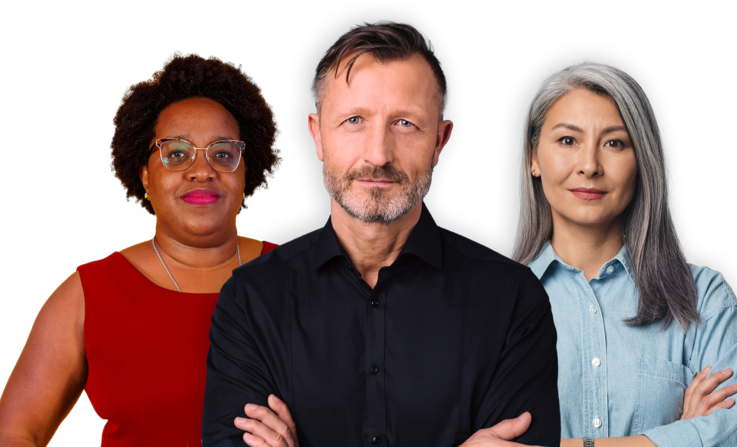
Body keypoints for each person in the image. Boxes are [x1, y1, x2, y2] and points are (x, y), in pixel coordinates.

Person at [202, 20, 560, 447]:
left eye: (405, 124)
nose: (378, 153)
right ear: (317, 135)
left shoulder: (514, 300)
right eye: (354, 120)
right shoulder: (250, 300)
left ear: (439, 141)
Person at [0, 53, 281, 446]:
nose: (202, 170)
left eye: (222, 153)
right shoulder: (89, 294)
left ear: (245, 171)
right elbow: (15, 432)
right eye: (177, 153)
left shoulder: (302, 278)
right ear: (145, 175)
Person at [512, 61, 737, 446]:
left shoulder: (704, 299)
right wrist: (678, 436)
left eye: (614, 143)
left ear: (641, 161)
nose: (589, 166)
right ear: (534, 158)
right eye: (568, 140)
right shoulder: (488, 303)